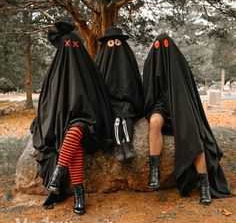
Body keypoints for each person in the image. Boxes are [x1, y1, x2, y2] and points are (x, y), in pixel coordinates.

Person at [31, 20, 113, 215]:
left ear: (80, 46)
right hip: (61, 124)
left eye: (75, 45)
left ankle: (57, 175)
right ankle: (79, 192)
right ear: (61, 49)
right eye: (67, 45)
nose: (71, 48)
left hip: (88, 123)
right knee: (72, 139)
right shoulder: (55, 73)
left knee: (76, 129)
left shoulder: (89, 71)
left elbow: (98, 101)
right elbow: (47, 103)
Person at [143, 33, 233, 205]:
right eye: (158, 47)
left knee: (195, 138)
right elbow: (148, 92)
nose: (162, 51)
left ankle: (205, 185)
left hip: (181, 106)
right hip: (161, 106)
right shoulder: (151, 63)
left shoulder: (179, 64)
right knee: (154, 122)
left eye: (166, 46)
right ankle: (154, 170)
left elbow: (188, 93)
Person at [96, 27, 144, 162]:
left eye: (117, 42)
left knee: (126, 116)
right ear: (106, 45)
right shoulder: (102, 60)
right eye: (111, 43)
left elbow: (134, 81)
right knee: (117, 119)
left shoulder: (127, 58)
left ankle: (127, 145)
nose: (114, 46)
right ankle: (118, 146)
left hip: (127, 101)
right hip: (109, 103)